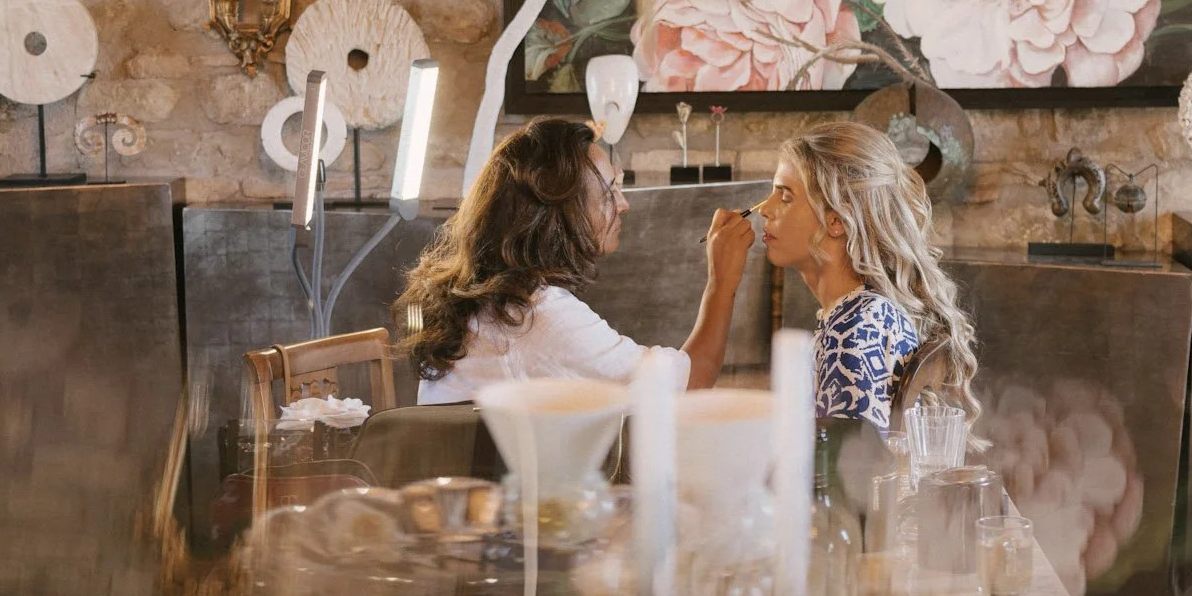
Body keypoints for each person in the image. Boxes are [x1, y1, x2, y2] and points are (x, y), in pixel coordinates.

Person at [401, 117, 754, 404]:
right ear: (558, 210)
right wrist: (722, 282)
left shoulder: (493, 297)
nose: (623, 204)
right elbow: (691, 381)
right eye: (608, 192)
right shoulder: (535, 317)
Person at [755, 122, 980, 433]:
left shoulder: (855, 332)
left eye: (785, 196)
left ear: (836, 220)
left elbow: (847, 463)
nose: (764, 209)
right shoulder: (861, 314)